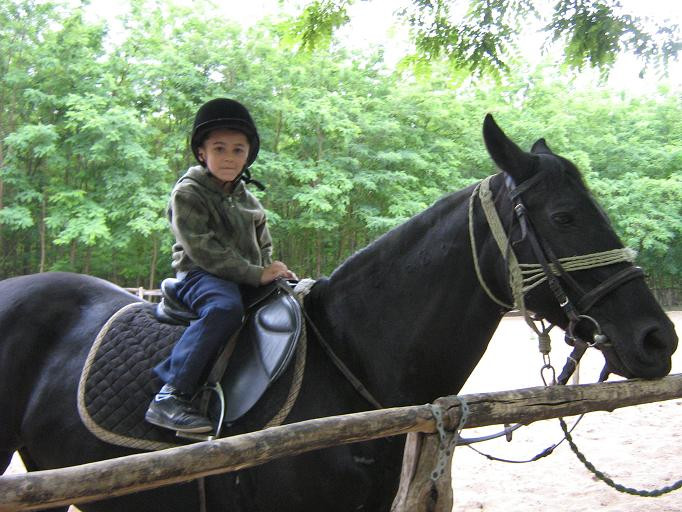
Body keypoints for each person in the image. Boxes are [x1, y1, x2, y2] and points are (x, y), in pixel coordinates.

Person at [145, 98, 296, 433]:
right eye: (220, 148)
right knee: (224, 309)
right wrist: (256, 273)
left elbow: (263, 244)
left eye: (238, 150)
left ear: (247, 156)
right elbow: (204, 249)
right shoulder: (188, 193)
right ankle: (172, 394)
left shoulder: (249, 199)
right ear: (202, 153)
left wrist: (271, 271)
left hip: (243, 274)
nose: (229, 158)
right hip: (201, 274)